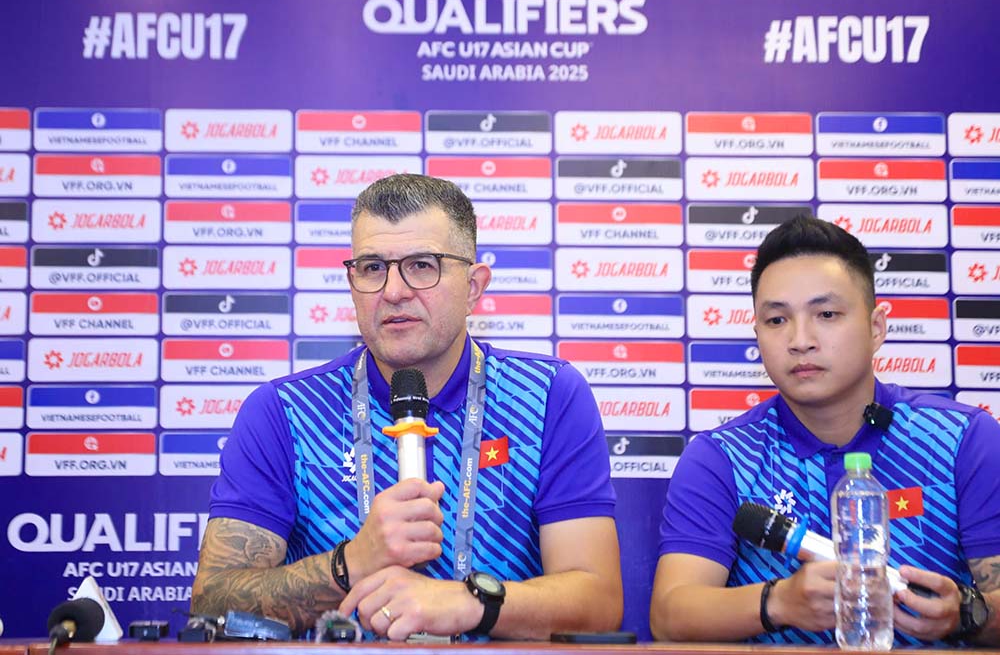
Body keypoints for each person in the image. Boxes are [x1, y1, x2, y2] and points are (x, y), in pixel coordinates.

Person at [190, 173, 623, 640]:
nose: (394, 291)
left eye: (421, 265)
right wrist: (352, 562)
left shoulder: (548, 396)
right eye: (372, 267)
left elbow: (598, 602)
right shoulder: (284, 412)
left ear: (474, 286)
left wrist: (469, 603)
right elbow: (213, 602)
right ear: (352, 282)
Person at [651, 215, 1000, 646]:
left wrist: (968, 612)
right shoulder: (722, 457)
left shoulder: (963, 439)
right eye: (777, 320)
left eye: (827, 314)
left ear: (876, 327)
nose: (801, 340)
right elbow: (669, 615)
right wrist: (778, 602)